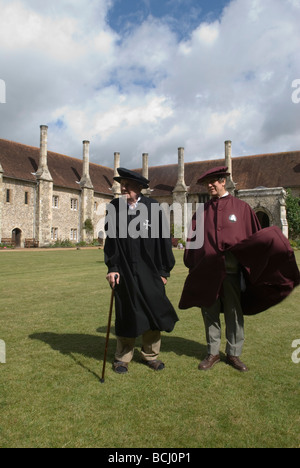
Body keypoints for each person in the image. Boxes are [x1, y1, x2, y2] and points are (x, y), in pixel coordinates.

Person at [179, 166, 300, 372]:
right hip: (208, 272)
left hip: (232, 273)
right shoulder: (202, 212)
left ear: (223, 181)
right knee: (210, 312)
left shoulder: (242, 209)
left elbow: (254, 239)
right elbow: (193, 241)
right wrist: (193, 263)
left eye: (213, 182)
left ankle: (234, 354)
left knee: (235, 313)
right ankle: (213, 352)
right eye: (207, 183)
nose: (210, 186)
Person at [104, 167, 179, 374]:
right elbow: (111, 241)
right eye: (122, 185)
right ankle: (122, 357)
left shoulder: (153, 208)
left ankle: (151, 355)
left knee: (152, 311)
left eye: (127, 185)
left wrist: (164, 272)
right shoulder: (114, 207)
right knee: (126, 311)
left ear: (139, 187)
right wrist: (113, 267)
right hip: (125, 270)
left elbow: (164, 241)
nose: (124, 188)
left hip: (150, 270)